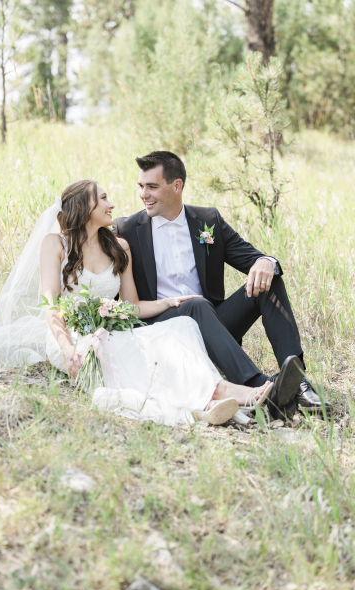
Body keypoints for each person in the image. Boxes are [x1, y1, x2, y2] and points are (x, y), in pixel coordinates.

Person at [0, 179, 276, 427]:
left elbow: (131, 306)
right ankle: (224, 392)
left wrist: (169, 303)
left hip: (110, 330)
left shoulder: (118, 247)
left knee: (182, 326)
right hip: (71, 338)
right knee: (122, 349)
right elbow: (51, 305)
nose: (111, 204)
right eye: (103, 199)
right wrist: (67, 348)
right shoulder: (55, 244)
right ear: (84, 208)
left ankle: (207, 400)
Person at [112, 151, 330, 418]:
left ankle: (297, 381)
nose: (144, 194)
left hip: (213, 326)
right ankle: (258, 386)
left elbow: (251, 257)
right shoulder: (126, 229)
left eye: (152, 187)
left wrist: (265, 260)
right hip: (163, 331)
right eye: (141, 186)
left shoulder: (208, 221)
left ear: (177, 185)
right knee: (197, 304)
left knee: (268, 280)